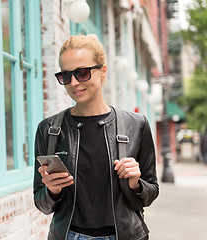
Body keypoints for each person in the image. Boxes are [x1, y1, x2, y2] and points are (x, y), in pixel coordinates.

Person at [33, 35, 159, 240]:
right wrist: (52, 191)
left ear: (103, 72)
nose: (73, 83)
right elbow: (42, 203)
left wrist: (136, 183)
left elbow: (151, 192)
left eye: (82, 73)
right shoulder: (48, 129)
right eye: (66, 76)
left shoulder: (136, 125)